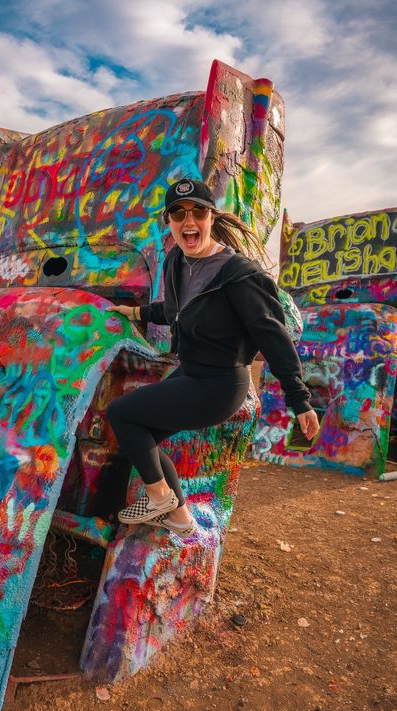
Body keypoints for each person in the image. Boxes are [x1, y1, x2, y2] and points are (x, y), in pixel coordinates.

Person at [106, 178, 320, 538]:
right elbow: (176, 310)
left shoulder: (240, 275)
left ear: (210, 217)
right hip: (190, 372)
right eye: (178, 213)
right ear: (169, 222)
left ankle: (160, 499)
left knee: (121, 414)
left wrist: (300, 400)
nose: (188, 221)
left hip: (220, 385)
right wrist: (137, 313)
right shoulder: (177, 261)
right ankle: (179, 518)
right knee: (142, 437)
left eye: (198, 212)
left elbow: (273, 336)